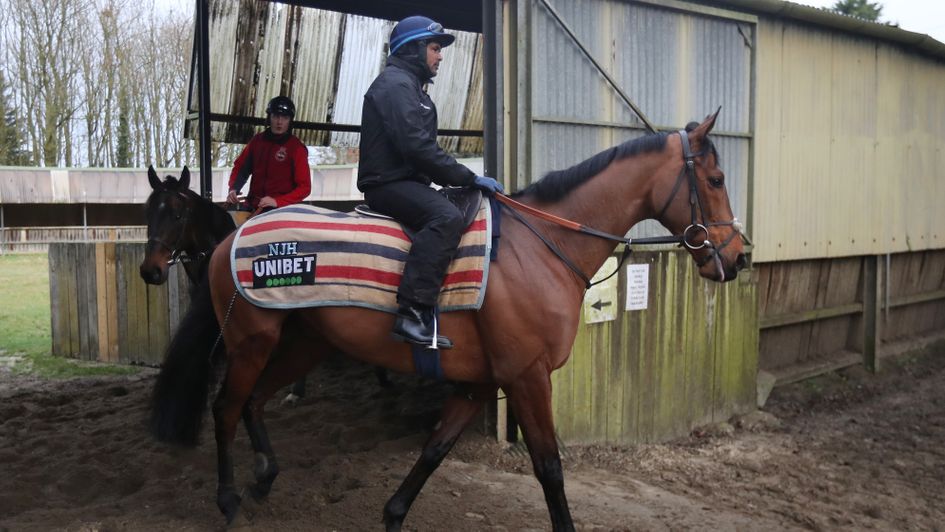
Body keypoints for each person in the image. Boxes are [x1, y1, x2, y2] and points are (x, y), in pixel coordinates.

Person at [358, 15, 504, 349]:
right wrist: (468, 177)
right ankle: (412, 312)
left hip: (407, 182)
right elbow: (418, 148)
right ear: (414, 48)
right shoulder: (395, 85)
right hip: (387, 185)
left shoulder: (411, 88)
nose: (440, 56)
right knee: (446, 217)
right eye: (435, 48)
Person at [226, 96, 311, 213]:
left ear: (290, 121)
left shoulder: (296, 148)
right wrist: (233, 189)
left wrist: (278, 201)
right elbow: (241, 168)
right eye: (276, 116)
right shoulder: (257, 141)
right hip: (252, 206)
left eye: (285, 117)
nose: (279, 122)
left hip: (281, 211)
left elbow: (305, 188)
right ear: (269, 117)